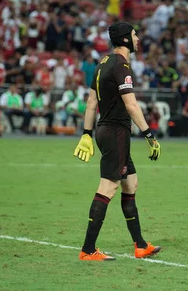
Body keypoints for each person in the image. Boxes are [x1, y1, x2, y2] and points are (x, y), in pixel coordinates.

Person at [73, 22, 162, 261]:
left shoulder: (103, 64)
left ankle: (140, 245)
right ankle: (88, 249)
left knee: (130, 184)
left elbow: (92, 103)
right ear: (124, 39)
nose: (138, 39)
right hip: (116, 133)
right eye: (134, 35)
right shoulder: (122, 66)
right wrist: (149, 135)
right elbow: (132, 105)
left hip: (106, 130)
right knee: (108, 187)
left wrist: (86, 133)